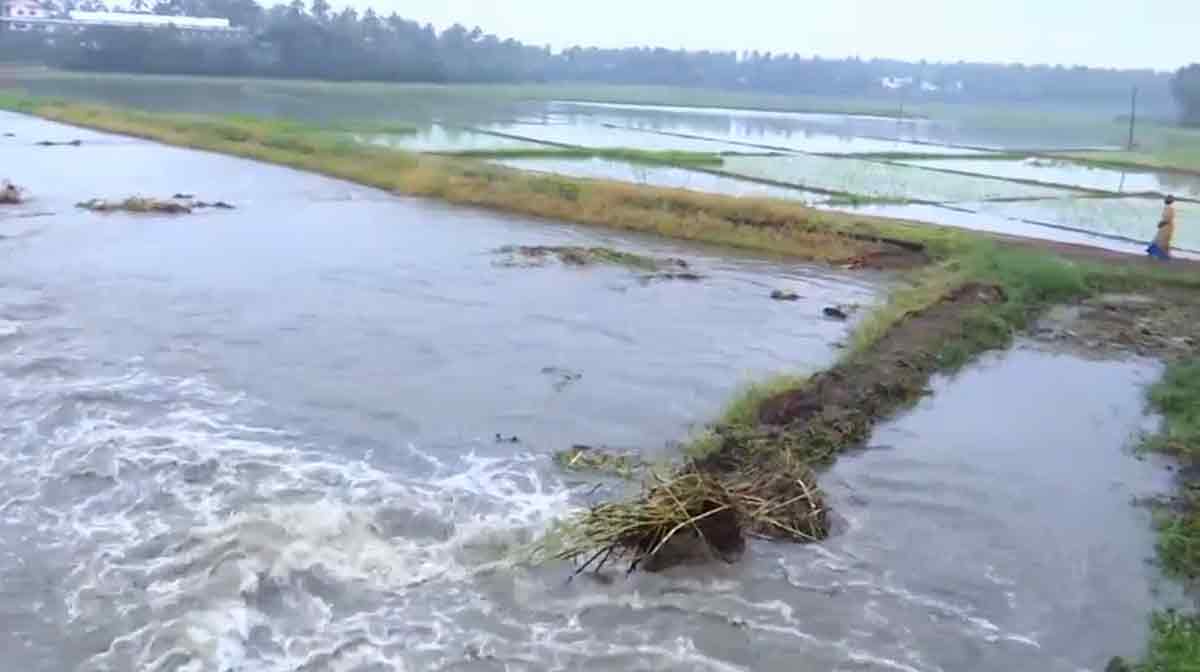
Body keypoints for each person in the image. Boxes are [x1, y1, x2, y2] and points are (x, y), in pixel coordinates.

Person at [1147, 195, 1177, 260]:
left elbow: (1167, 219)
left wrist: (1161, 223)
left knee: (1162, 240)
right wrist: (1161, 223)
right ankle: (1159, 254)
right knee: (1161, 240)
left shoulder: (1170, 209)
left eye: (1166, 199)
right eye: (1166, 198)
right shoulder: (1167, 208)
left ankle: (1162, 255)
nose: (1165, 200)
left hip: (1166, 227)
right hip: (1165, 226)